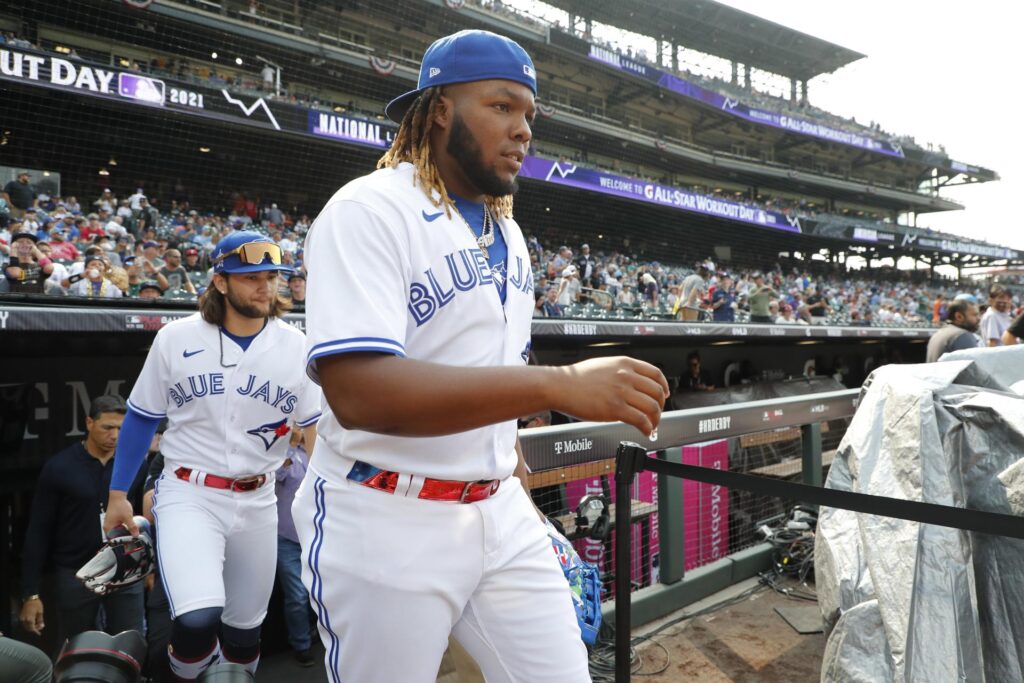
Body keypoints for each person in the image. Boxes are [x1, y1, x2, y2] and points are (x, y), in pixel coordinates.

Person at [296, 29, 669, 683]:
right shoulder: (368, 209)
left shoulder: (511, 233)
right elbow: (359, 392)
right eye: (501, 106)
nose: (522, 128)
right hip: (385, 512)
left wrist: (516, 488)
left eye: (528, 113)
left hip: (496, 510)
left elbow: (484, 378)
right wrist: (558, 383)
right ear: (440, 108)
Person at [102, 231, 322, 681]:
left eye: (272, 276)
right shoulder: (175, 337)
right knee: (198, 618)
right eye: (251, 278)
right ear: (220, 282)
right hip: (190, 491)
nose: (266, 286)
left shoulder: (296, 345)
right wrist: (118, 494)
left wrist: (323, 496)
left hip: (260, 499)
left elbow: (316, 429)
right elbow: (142, 418)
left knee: (244, 634)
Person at [19, 395, 147, 647]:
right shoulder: (60, 467)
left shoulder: (133, 465)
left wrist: (149, 568)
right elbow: (38, 531)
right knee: (77, 647)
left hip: (124, 568)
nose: (115, 435)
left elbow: (144, 518)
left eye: (121, 428)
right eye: (107, 427)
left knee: (130, 646)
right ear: (89, 423)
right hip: (76, 572)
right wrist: (30, 592)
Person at [274, 426, 316, 667]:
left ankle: (315, 633)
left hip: (313, 536)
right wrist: (288, 442)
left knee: (317, 592)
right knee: (297, 595)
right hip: (287, 539)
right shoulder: (284, 453)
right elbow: (277, 472)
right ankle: (301, 646)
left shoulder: (311, 452)